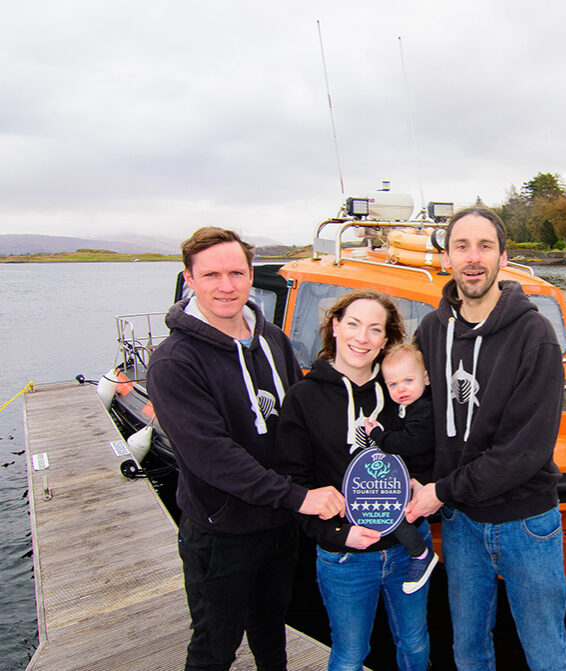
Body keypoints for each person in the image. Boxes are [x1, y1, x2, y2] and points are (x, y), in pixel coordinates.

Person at [147, 226, 345, 671]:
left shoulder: (272, 338)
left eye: (236, 272)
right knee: (215, 645)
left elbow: (300, 418)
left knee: (272, 626)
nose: (226, 286)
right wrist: (300, 497)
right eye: (212, 274)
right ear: (189, 279)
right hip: (223, 530)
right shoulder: (174, 362)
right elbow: (212, 456)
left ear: (251, 275)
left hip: (279, 524)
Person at [407, 206, 566, 670]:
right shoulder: (431, 330)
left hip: (526, 522)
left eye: (485, 246)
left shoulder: (535, 335)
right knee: (469, 650)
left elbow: (525, 451)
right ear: (447, 256)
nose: (473, 257)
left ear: (504, 255)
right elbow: (411, 412)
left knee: (545, 653)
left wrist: (439, 491)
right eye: (461, 246)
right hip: (461, 523)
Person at [275, 290, 431, 671]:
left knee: (414, 644)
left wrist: (429, 485)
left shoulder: (400, 390)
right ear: (335, 326)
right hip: (344, 554)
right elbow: (293, 480)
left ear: (385, 338)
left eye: (375, 329)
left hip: (407, 547)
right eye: (354, 324)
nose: (362, 338)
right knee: (349, 655)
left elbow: (432, 446)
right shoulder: (303, 397)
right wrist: (335, 533)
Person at [363, 342, 438, 594]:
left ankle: (421, 554)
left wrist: (380, 437)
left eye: (408, 380)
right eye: (393, 384)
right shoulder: (408, 407)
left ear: (426, 379)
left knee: (394, 514)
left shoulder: (425, 410)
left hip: (426, 475)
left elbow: (411, 442)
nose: (401, 389)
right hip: (413, 473)